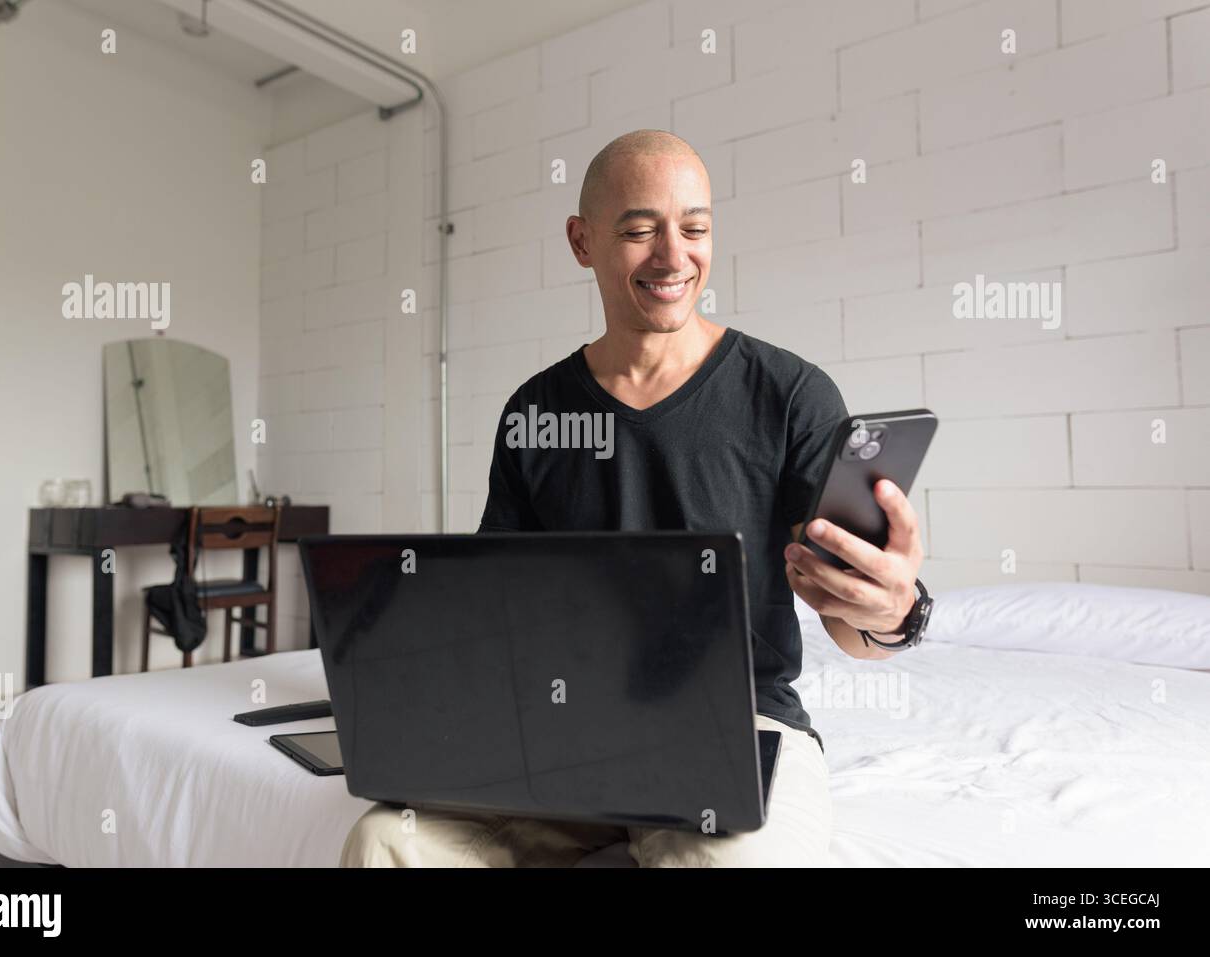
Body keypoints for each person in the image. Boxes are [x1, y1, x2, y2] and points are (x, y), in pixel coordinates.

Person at [342, 129, 926, 867]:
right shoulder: (536, 409)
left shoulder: (791, 395)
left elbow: (853, 620)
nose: (673, 255)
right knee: (384, 841)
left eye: (695, 228)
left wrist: (896, 612)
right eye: (640, 229)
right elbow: (503, 611)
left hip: (740, 728)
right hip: (564, 730)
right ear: (582, 242)